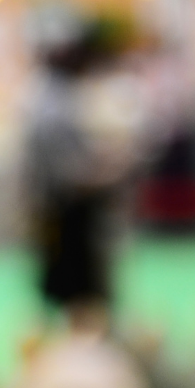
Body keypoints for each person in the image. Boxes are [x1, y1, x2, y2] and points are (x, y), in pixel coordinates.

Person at [25, 26, 129, 331]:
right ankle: (82, 336)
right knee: (76, 283)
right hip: (66, 208)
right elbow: (71, 172)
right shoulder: (55, 105)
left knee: (66, 282)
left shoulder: (49, 96)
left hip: (58, 205)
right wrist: (109, 170)